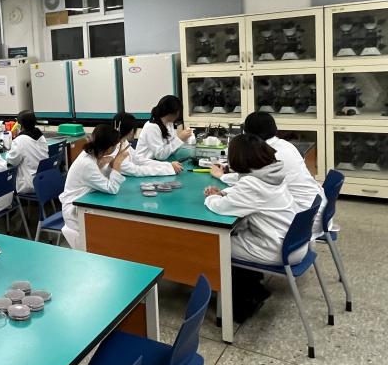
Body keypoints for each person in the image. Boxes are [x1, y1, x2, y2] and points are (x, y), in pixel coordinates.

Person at [204, 133, 300, 320]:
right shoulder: (272, 173)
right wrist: (224, 193)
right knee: (236, 234)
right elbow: (245, 194)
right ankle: (254, 288)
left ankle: (237, 305)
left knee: (214, 246)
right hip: (294, 241)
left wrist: (212, 197)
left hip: (278, 248)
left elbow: (220, 207)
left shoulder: (252, 183)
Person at [212, 111, 327, 234]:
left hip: (303, 218)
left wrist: (222, 176)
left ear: (248, 135)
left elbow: (255, 181)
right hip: (311, 208)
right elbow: (256, 177)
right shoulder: (283, 144)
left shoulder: (271, 153)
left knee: (228, 236)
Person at [59, 125, 127, 249]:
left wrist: (110, 165)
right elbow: (112, 188)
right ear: (109, 148)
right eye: (116, 145)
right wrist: (117, 164)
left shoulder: (91, 155)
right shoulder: (87, 163)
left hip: (84, 202)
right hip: (75, 212)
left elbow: (99, 179)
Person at [112, 112, 183, 176]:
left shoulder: (123, 143)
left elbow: (138, 159)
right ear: (132, 131)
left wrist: (168, 165)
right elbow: (136, 170)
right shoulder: (114, 151)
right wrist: (168, 170)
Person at [133, 95, 193, 163]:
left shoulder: (169, 124)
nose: (178, 115)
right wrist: (179, 139)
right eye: (178, 112)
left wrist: (183, 139)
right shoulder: (152, 127)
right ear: (172, 112)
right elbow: (160, 155)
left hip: (156, 162)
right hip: (144, 163)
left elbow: (171, 150)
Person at [6, 110, 49, 194]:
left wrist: (8, 153)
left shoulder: (20, 140)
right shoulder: (41, 136)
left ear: (20, 125)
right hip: (44, 179)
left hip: (30, 183)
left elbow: (12, 161)